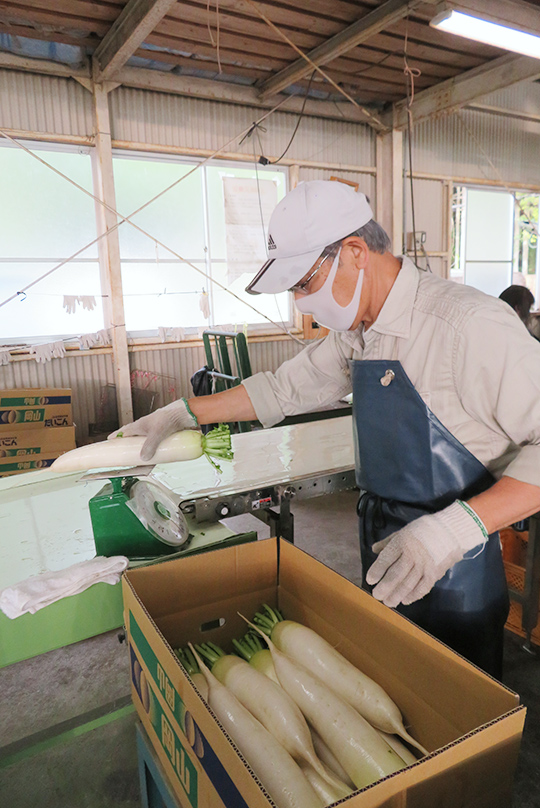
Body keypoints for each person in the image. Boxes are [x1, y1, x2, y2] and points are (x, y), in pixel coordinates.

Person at [111, 180, 540, 679]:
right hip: (383, 545)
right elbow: (282, 389)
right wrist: (186, 411)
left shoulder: (466, 326)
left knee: (459, 711)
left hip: (455, 565)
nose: (302, 305)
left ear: (355, 252)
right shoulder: (359, 332)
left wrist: (454, 528)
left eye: (304, 284)